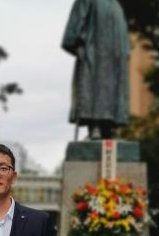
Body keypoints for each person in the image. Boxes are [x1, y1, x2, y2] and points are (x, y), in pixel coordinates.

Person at [62, 0, 131, 139]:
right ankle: (95, 125)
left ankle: (108, 127)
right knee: (94, 87)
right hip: (94, 52)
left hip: (115, 58)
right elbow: (74, 27)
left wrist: (124, 53)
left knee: (112, 91)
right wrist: (77, 45)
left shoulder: (116, 5)